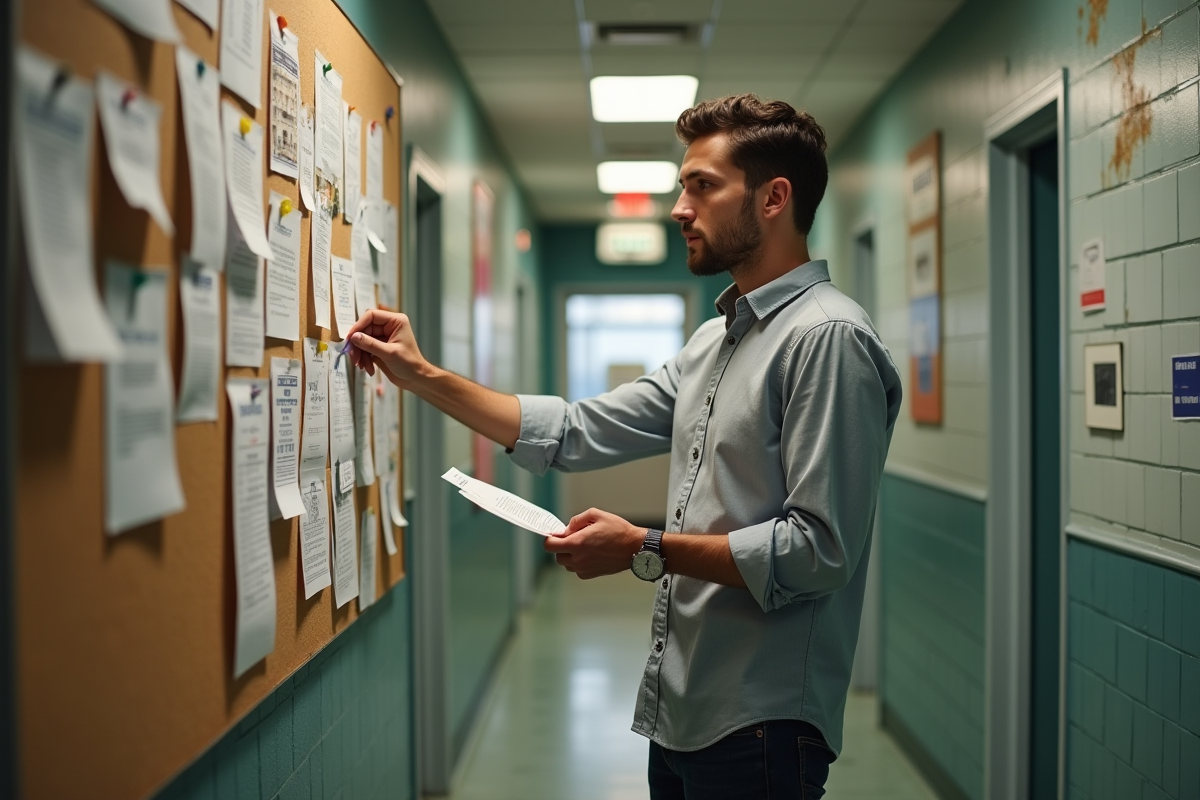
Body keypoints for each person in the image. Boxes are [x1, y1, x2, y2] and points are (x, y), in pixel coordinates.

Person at [344, 94, 903, 800]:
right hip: (679, 712)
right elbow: (575, 431)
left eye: (702, 185)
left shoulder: (828, 340)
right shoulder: (715, 342)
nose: (679, 208)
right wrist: (420, 376)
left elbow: (819, 550)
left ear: (773, 199)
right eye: (682, 186)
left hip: (762, 726)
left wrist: (645, 544)